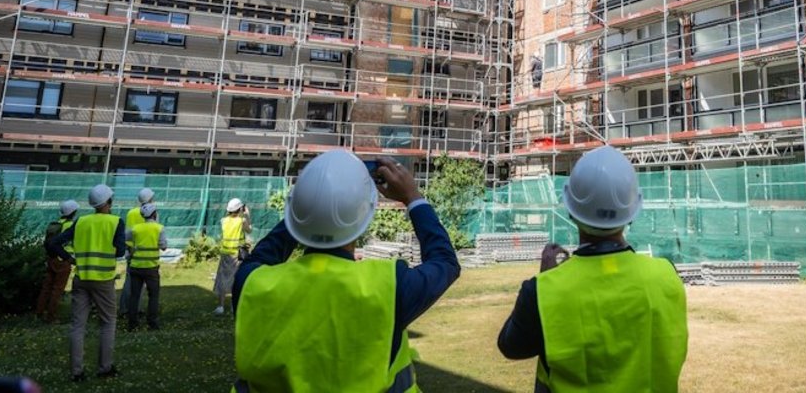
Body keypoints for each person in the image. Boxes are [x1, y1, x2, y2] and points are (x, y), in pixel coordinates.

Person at [232, 150, 460, 392]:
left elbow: (265, 252)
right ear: (364, 214)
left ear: (296, 212)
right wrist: (413, 197)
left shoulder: (250, 285)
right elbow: (445, 262)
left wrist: (310, 204)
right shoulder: (389, 287)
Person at [498, 145, 688, 392]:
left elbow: (511, 347)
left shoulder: (542, 291)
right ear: (631, 212)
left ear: (571, 210)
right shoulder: (666, 275)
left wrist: (546, 280)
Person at [51, 183, 127, 382]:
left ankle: (77, 372)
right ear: (109, 202)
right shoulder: (116, 221)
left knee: (78, 326)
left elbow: (54, 243)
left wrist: (69, 259)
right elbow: (119, 251)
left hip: (81, 278)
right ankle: (105, 368)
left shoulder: (81, 222)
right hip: (103, 280)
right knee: (108, 323)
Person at [125, 202, 167, 331]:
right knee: (153, 296)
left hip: (136, 266)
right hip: (151, 267)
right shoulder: (159, 228)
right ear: (154, 214)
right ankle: (152, 323)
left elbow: (125, 239)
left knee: (135, 296)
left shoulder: (135, 228)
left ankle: (132, 324)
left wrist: (131, 249)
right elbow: (164, 247)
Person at [36, 199, 79, 322]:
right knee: (57, 289)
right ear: (73, 212)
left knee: (47, 287)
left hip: (52, 259)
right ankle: (51, 316)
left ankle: (39, 313)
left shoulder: (56, 224)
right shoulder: (70, 226)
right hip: (63, 260)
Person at [213, 198, 251, 315]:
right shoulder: (242, 221)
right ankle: (235, 306)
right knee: (237, 279)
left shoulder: (223, 220)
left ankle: (220, 306)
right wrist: (248, 215)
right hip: (237, 254)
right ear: (240, 209)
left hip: (225, 253)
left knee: (222, 278)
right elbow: (249, 230)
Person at [119, 187, 154, 308]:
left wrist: (129, 249)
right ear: (150, 199)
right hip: (147, 254)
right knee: (141, 284)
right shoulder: (153, 212)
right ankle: (136, 309)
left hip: (132, 251)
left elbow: (128, 233)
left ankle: (125, 308)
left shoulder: (131, 212)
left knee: (129, 282)